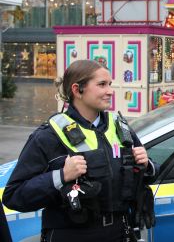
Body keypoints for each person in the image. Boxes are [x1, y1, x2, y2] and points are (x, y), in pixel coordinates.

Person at [3, 60, 160, 242]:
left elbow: (148, 173)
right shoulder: (48, 136)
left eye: (110, 84)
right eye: (102, 84)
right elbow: (14, 196)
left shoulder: (120, 127)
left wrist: (146, 165)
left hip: (120, 232)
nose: (110, 91)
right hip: (72, 235)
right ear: (77, 90)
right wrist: (61, 176)